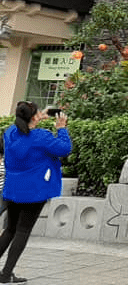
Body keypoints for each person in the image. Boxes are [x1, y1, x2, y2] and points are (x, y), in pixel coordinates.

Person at [0, 102, 72, 283]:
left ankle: (6, 273)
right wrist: (61, 128)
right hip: (34, 191)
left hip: (12, 188)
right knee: (22, 232)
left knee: (10, 229)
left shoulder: (10, 133)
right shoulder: (41, 137)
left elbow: (23, 128)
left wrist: (38, 116)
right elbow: (64, 149)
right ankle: (6, 274)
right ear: (33, 117)